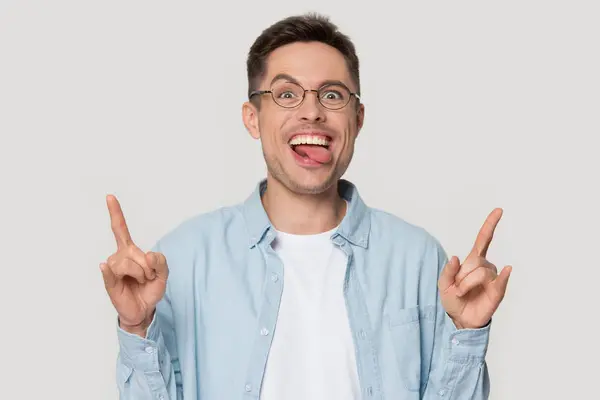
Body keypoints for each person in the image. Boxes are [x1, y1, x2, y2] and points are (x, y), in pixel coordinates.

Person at [101, 12, 512, 400]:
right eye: (286, 94)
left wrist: (466, 333)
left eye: (332, 95)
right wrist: (136, 328)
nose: (312, 112)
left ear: (358, 117)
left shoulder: (418, 258)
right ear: (252, 118)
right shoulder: (185, 258)